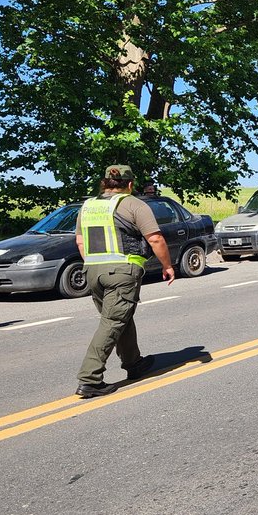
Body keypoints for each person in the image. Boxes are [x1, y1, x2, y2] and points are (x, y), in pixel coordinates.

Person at [75, 165, 174, 398]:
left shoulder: (88, 206)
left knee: (120, 317)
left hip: (92, 270)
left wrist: (95, 264)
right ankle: (89, 379)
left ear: (105, 183)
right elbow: (156, 238)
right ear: (130, 184)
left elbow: (80, 241)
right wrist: (168, 266)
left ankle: (133, 363)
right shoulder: (134, 204)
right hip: (122, 271)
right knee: (112, 322)